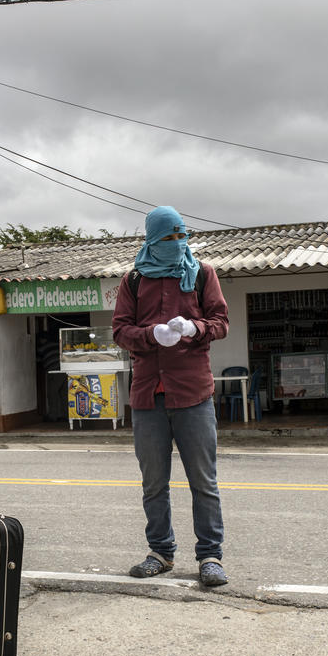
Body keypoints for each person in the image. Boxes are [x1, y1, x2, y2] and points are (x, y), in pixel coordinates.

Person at [112, 206, 230, 587]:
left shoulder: (201, 274)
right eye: (168, 238)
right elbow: (119, 331)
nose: (177, 244)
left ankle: (210, 556)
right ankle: (160, 553)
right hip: (148, 396)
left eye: (182, 236)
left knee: (203, 481)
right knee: (154, 483)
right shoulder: (133, 281)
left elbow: (221, 322)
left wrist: (193, 328)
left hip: (193, 393)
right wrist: (150, 336)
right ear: (152, 240)